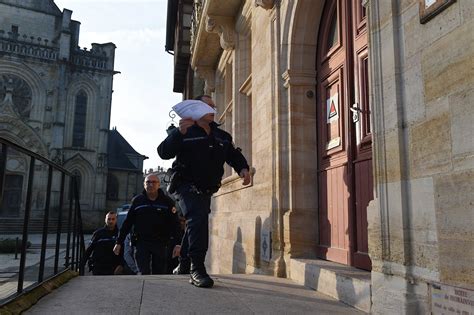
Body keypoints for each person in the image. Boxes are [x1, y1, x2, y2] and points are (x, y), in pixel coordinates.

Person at [157, 95, 250, 288]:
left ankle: (183, 263)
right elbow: (163, 152)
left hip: (206, 188)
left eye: (214, 106)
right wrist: (177, 134)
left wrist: (243, 168)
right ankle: (196, 269)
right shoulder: (184, 131)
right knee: (198, 218)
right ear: (196, 108)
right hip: (185, 185)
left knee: (195, 222)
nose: (213, 109)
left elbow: (233, 155)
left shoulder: (222, 136)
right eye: (209, 106)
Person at [113, 174, 181, 275]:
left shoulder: (167, 202)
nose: (150, 184)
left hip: (161, 243)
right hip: (141, 243)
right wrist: (119, 242)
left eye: (153, 182)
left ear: (158, 185)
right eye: (148, 182)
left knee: (159, 273)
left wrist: (178, 244)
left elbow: (175, 225)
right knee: (143, 272)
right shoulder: (137, 201)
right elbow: (127, 223)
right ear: (144, 185)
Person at [82, 211, 123, 275]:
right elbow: (89, 250)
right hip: (98, 268)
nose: (111, 221)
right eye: (109, 219)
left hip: (114, 268)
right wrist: (82, 265)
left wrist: (121, 265)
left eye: (113, 219)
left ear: (116, 220)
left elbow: (124, 252)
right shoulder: (98, 233)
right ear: (105, 220)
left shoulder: (120, 234)